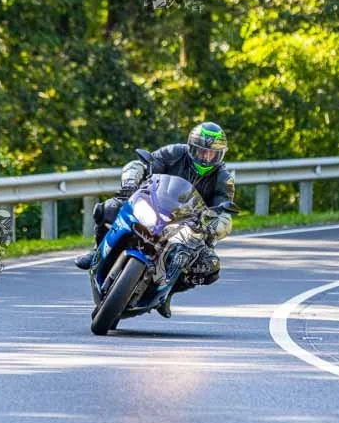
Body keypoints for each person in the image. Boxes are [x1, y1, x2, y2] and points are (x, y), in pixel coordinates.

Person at [73, 122, 235, 318]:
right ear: (191, 147)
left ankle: (168, 292)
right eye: (202, 151)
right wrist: (131, 183)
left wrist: (214, 227)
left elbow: (224, 210)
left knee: (208, 267)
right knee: (108, 208)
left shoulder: (223, 177)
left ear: (220, 155)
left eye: (212, 154)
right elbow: (143, 164)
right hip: (154, 205)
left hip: (188, 225)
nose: (206, 157)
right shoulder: (174, 152)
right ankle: (97, 251)